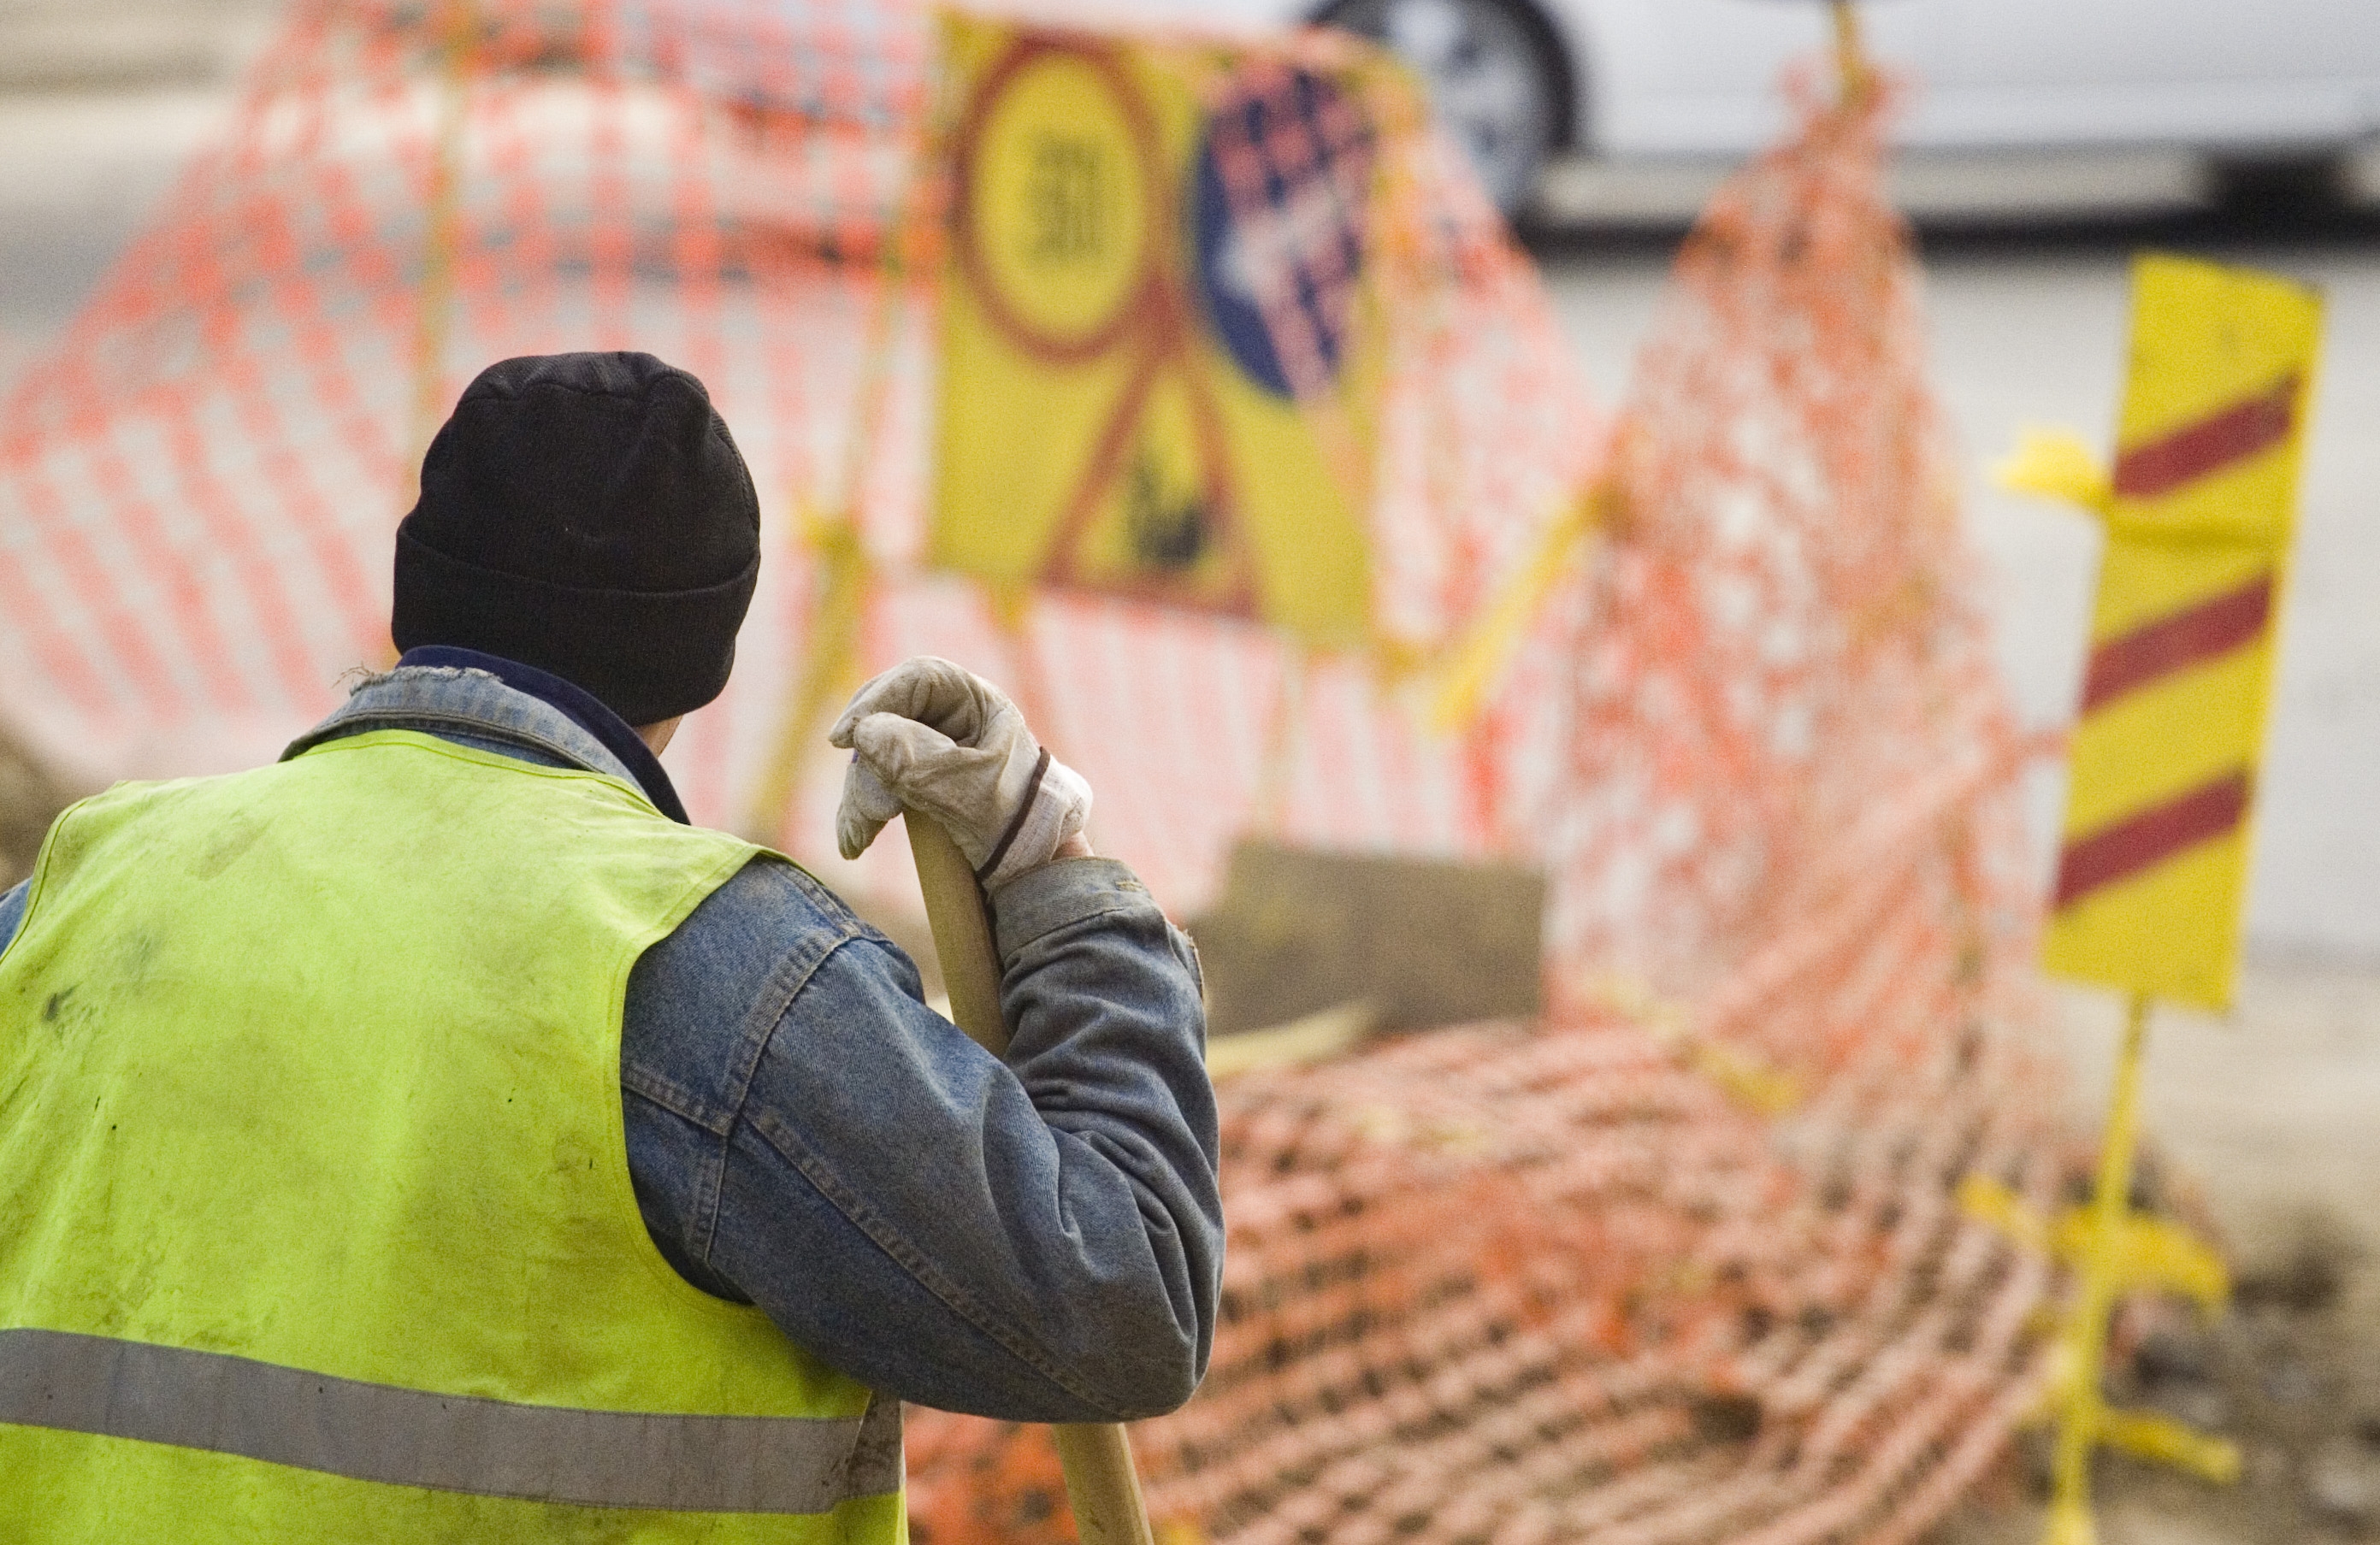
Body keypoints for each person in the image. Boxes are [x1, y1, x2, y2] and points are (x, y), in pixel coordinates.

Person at [0, 351, 1221, 1541]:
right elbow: (1126, 1294)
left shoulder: (80, 884)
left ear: (411, 594)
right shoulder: (709, 970)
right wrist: (1049, 870)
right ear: (702, 658)